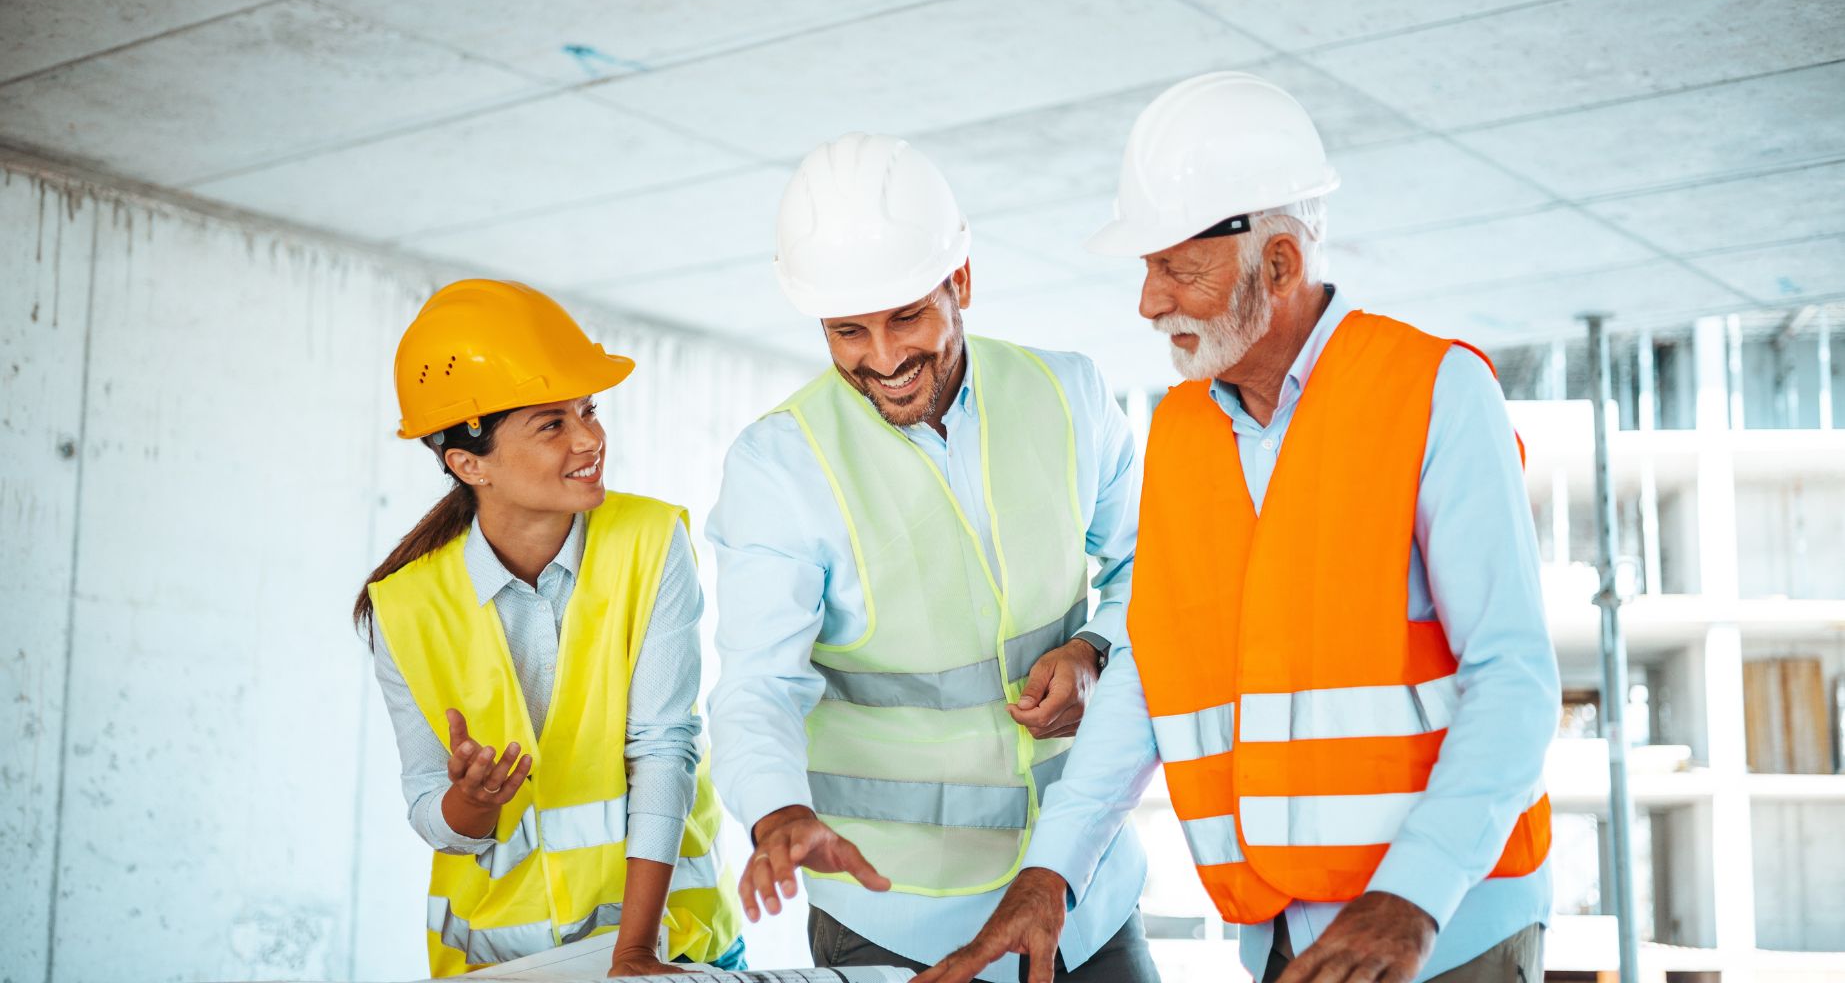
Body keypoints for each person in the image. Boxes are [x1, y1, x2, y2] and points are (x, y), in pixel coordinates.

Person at [927, 73, 1559, 983]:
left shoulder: (1431, 392)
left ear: (1279, 265)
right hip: (1282, 935)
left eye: (1175, 268)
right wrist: (1049, 872)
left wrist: (1412, 895)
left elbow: (1514, 678)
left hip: (1443, 927)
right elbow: (1153, 669)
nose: (1147, 302)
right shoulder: (1182, 433)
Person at [705, 134, 1159, 982]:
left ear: (961, 281)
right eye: (848, 331)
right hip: (895, 918)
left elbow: (1158, 576)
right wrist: (777, 812)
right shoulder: (780, 466)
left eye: (905, 316)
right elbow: (756, 683)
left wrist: (1096, 648)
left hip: (1082, 891)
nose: (882, 358)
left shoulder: (1070, 396)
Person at [353, 279, 743, 977]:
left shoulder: (651, 540)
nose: (591, 438)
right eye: (551, 423)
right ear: (469, 464)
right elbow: (426, 806)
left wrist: (634, 952)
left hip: (665, 942)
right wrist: (469, 805)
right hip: (501, 963)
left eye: (587, 411)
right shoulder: (402, 607)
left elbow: (663, 746)